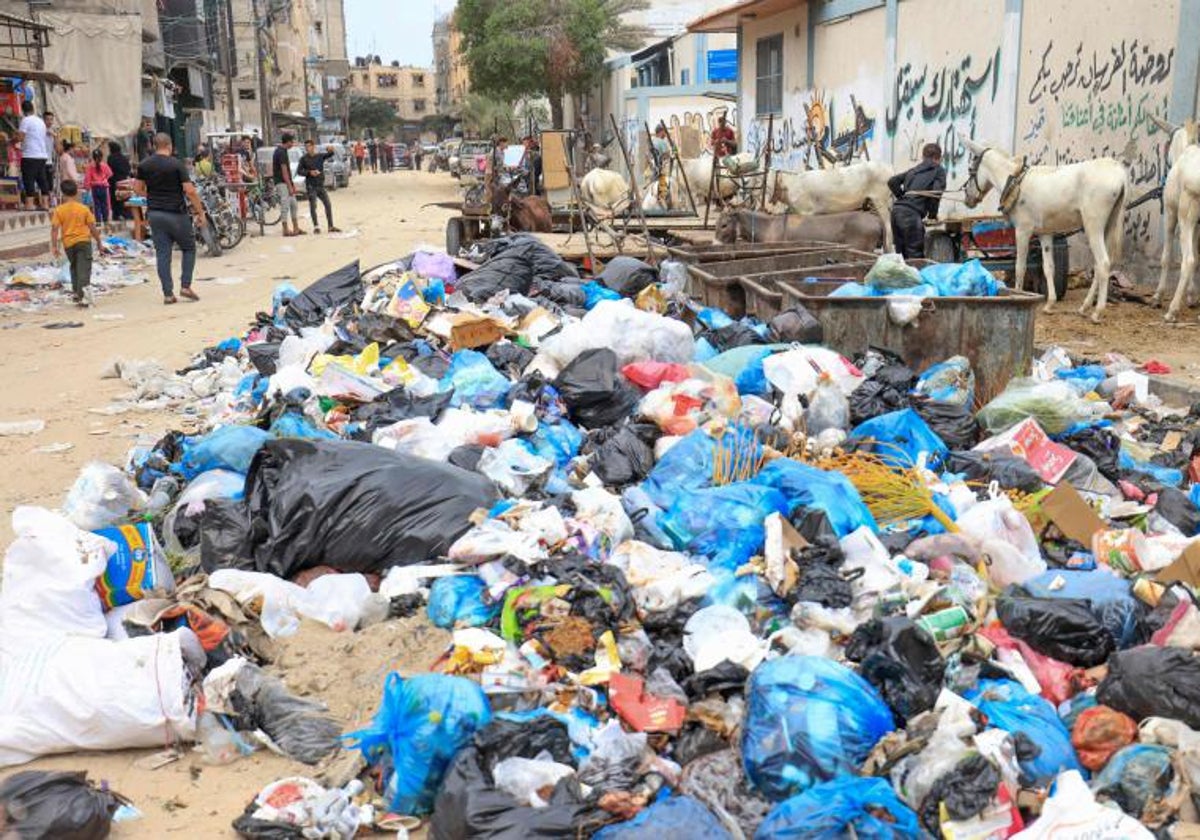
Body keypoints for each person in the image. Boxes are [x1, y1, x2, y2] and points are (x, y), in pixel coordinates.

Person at [134, 132, 207, 304]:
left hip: (155, 214)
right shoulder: (176, 164)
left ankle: (168, 294)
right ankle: (185, 286)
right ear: (170, 146)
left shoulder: (144, 165)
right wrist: (200, 212)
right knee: (189, 248)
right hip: (176, 214)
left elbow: (137, 189)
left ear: (154, 145)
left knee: (163, 254)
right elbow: (189, 191)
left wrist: (152, 195)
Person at [888, 142, 947, 259]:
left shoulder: (913, 170)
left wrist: (903, 198)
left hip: (896, 212)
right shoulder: (938, 170)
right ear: (939, 158)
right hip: (910, 216)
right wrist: (932, 215)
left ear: (923, 157)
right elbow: (936, 193)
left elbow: (892, 181)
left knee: (902, 256)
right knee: (915, 256)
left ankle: (904, 277)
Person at [50, 179, 105, 306]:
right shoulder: (84, 209)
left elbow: (54, 229)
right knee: (84, 269)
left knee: (74, 267)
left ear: (63, 194)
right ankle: (83, 297)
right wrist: (99, 242)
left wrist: (54, 246)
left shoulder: (59, 210)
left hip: (68, 244)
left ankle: (76, 292)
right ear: (76, 193)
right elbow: (92, 228)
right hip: (83, 242)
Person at [298, 138, 341, 233]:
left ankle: (330, 226)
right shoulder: (303, 159)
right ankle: (316, 227)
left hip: (320, 185)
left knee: (328, 204)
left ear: (313, 147)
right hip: (311, 185)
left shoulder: (320, 156)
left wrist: (331, 149)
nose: (307, 148)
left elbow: (330, 154)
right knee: (313, 206)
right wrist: (309, 172)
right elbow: (299, 171)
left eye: (309, 146)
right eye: (306, 147)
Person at [16, 100, 50, 210]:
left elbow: (20, 138)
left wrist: (11, 140)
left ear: (23, 110)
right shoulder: (41, 122)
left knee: (28, 178)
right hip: (42, 155)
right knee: (42, 179)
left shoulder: (25, 120)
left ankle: (29, 205)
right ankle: (45, 204)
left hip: (30, 154)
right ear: (33, 109)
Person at [273, 132, 303, 237]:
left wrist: (291, 184)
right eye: (292, 142)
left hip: (287, 182)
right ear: (288, 142)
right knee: (285, 205)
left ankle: (296, 227)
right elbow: (284, 170)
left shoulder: (284, 151)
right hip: (281, 182)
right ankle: (285, 229)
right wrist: (289, 186)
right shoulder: (280, 152)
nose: (293, 144)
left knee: (294, 204)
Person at [83, 148, 113, 229]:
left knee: (97, 205)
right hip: (103, 187)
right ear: (102, 157)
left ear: (93, 157)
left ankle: (98, 222)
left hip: (95, 188)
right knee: (105, 205)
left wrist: (87, 187)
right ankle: (106, 221)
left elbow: (87, 178)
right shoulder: (104, 165)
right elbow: (110, 174)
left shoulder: (90, 166)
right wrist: (103, 179)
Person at [106, 140, 132, 221]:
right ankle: (127, 214)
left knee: (114, 199)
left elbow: (109, 171)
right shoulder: (124, 158)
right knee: (124, 198)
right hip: (123, 181)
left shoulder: (110, 158)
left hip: (113, 181)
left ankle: (116, 215)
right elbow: (128, 169)